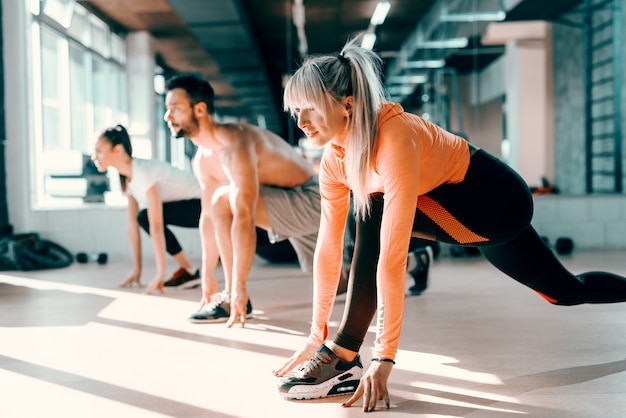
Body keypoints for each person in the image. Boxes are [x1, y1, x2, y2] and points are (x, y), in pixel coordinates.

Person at [273, 38, 626, 412]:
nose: (301, 122)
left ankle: (343, 356)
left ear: (347, 104)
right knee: (565, 291)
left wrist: (385, 357)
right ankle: (336, 350)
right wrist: (315, 334)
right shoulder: (334, 161)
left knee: (372, 209)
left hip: (498, 203)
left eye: (309, 108)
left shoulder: (394, 137)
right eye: (296, 111)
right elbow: (328, 249)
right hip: (454, 215)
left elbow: (390, 259)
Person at [163, 74, 322, 326]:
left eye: (175, 109)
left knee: (222, 199)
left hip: (312, 199)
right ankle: (409, 263)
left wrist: (238, 286)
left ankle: (232, 298)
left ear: (200, 109)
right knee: (338, 283)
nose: (167, 117)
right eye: (166, 109)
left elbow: (244, 216)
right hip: (284, 200)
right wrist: (207, 274)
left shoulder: (235, 142)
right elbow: (206, 218)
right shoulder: (203, 158)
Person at [92, 125, 202, 294]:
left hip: (205, 205)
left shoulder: (143, 173)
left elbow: (156, 225)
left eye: (99, 151)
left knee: (145, 217)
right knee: (142, 217)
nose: (94, 157)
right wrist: (137, 271)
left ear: (118, 150)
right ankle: (189, 270)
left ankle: (188, 269)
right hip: (191, 206)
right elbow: (132, 226)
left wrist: (160, 273)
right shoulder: (127, 178)